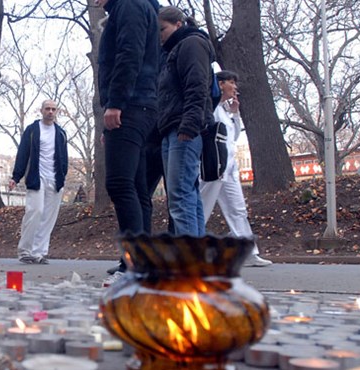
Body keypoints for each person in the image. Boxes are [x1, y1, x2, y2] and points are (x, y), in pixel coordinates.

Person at [95, 0, 161, 285]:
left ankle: (133, 265)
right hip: (142, 105)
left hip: (132, 103)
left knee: (120, 184)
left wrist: (116, 103)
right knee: (136, 186)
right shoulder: (136, 6)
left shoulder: (130, 6)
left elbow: (129, 53)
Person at [200, 71, 273, 267]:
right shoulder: (211, 106)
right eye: (231, 82)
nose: (235, 87)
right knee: (202, 209)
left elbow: (233, 138)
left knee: (238, 209)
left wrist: (235, 113)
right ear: (220, 84)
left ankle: (248, 253)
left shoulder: (225, 110)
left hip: (229, 169)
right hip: (213, 167)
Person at [157, 6, 214, 237]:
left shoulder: (191, 44)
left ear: (178, 24)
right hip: (172, 128)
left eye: (162, 29)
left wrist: (189, 125)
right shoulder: (173, 50)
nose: (159, 34)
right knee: (187, 195)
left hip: (184, 128)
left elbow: (197, 87)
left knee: (180, 196)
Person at [9, 100, 69, 265]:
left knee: (48, 217)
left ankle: (39, 253)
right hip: (37, 178)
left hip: (55, 180)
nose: (50, 112)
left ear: (56, 112)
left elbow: (64, 158)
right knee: (35, 211)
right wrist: (16, 177)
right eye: (47, 109)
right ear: (41, 111)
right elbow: (23, 154)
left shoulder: (61, 133)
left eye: (53, 109)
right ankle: (25, 251)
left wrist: (62, 176)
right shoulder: (32, 130)